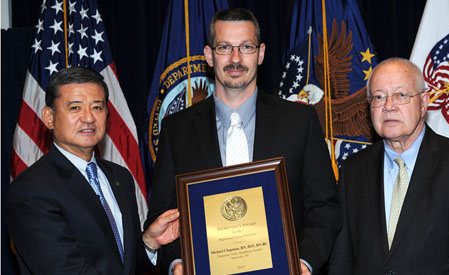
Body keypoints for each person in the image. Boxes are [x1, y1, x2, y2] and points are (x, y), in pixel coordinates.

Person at [144, 8, 342, 275]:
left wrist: (304, 263)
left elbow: (324, 207)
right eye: (224, 47)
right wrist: (177, 263)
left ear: (260, 54)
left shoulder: (300, 121)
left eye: (246, 47)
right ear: (208, 55)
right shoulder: (176, 130)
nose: (235, 58)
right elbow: (163, 217)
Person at [329, 57, 449, 274]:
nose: (388, 106)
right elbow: (341, 261)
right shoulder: (353, 171)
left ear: (424, 102)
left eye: (401, 95)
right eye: (379, 97)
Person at [6, 66, 180, 274]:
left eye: (97, 107)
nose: (88, 118)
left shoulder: (120, 177)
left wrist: (150, 241)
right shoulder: (31, 190)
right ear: (49, 117)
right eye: (75, 108)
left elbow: (125, 267)